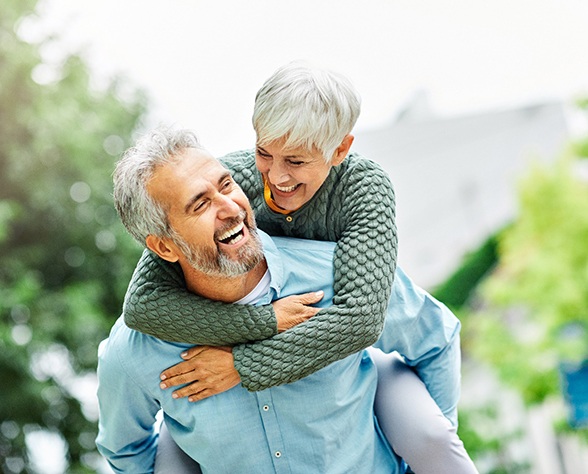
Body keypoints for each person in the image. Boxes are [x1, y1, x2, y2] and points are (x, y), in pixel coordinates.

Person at [119, 62, 477, 472]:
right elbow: (144, 304)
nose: (275, 175)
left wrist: (241, 365)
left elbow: (360, 321)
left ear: (339, 151)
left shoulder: (364, 189)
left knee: (432, 438)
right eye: (264, 152)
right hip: (251, 373)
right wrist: (264, 322)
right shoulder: (233, 182)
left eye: (296, 160)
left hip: (353, 357)